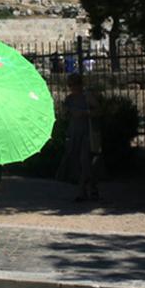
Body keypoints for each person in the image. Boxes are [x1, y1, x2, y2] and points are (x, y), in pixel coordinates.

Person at [56, 73, 101, 201]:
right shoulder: (69, 99)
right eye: (70, 85)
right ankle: (92, 188)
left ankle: (81, 191)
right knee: (78, 163)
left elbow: (99, 111)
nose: (73, 87)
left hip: (87, 133)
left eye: (75, 84)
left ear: (80, 85)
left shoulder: (87, 97)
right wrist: (67, 113)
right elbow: (64, 116)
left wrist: (84, 113)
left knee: (85, 161)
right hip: (74, 133)